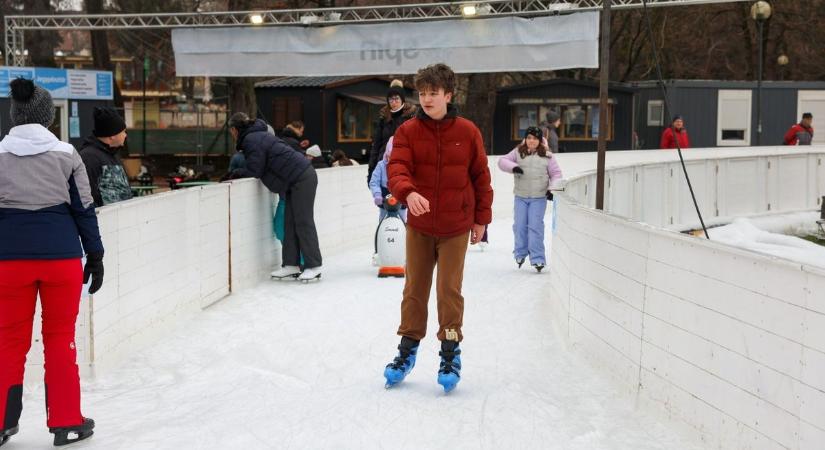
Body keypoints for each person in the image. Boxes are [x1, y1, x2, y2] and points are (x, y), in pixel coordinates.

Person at [0, 78, 102, 447]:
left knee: (8, 341)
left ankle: (1, 423)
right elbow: (84, 207)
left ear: (15, 115)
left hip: (8, 262)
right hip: (61, 260)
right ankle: (65, 421)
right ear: (46, 116)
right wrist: (96, 253)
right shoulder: (66, 154)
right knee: (60, 340)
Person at [382, 63, 493, 393]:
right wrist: (408, 191)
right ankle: (407, 350)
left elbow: (480, 177)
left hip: (455, 226)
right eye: (422, 93)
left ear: (448, 94)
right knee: (414, 289)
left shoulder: (468, 132)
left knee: (448, 290)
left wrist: (481, 220)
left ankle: (449, 350)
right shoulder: (407, 132)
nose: (427, 99)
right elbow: (397, 167)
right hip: (419, 226)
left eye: (433, 93)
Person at [226, 112, 323, 282]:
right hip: (294, 179)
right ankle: (291, 264)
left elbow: (254, 169)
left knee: (303, 221)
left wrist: (235, 173)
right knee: (289, 222)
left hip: (302, 177)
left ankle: (314, 265)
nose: (231, 135)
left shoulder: (251, 140)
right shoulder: (256, 136)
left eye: (231, 131)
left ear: (234, 129)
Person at [497, 126, 563, 272]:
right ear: (525, 139)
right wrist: (514, 167)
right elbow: (502, 161)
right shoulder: (518, 152)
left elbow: (556, 174)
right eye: (529, 138)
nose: (531, 141)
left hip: (538, 198)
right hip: (520, 196)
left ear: (539, 140)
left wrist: (552, 189)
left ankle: (538, 258)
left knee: (535, 227)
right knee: (519, 226)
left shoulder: (547, 155)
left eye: (534, 138)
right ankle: (520, 253)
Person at [78, 107, 133, 207]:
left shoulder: (112, 154)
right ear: (112, 135)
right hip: (105, 220)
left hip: (121, 218)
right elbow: (85, 197)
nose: (125, 135)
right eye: (123, 131)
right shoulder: (89, 158)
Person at [367, 79, 417, 186]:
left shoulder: (410, 118)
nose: (393, 102)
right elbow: (376, 146)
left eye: (396, 99)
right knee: (384, 200)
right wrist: (371, 170)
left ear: (402, 99)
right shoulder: (383, 118)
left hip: (404, 166)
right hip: (383, 165)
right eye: (391, 99)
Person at [369, 137, 407, 223]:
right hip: (385, 202)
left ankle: (402, 234)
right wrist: (377, 194)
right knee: (384, 222)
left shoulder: (405, 166)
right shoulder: (381, 166)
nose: (392, 160)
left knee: (401, 223)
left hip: (401, 202)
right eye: (390, 156)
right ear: (387, 153)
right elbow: (374, 182)